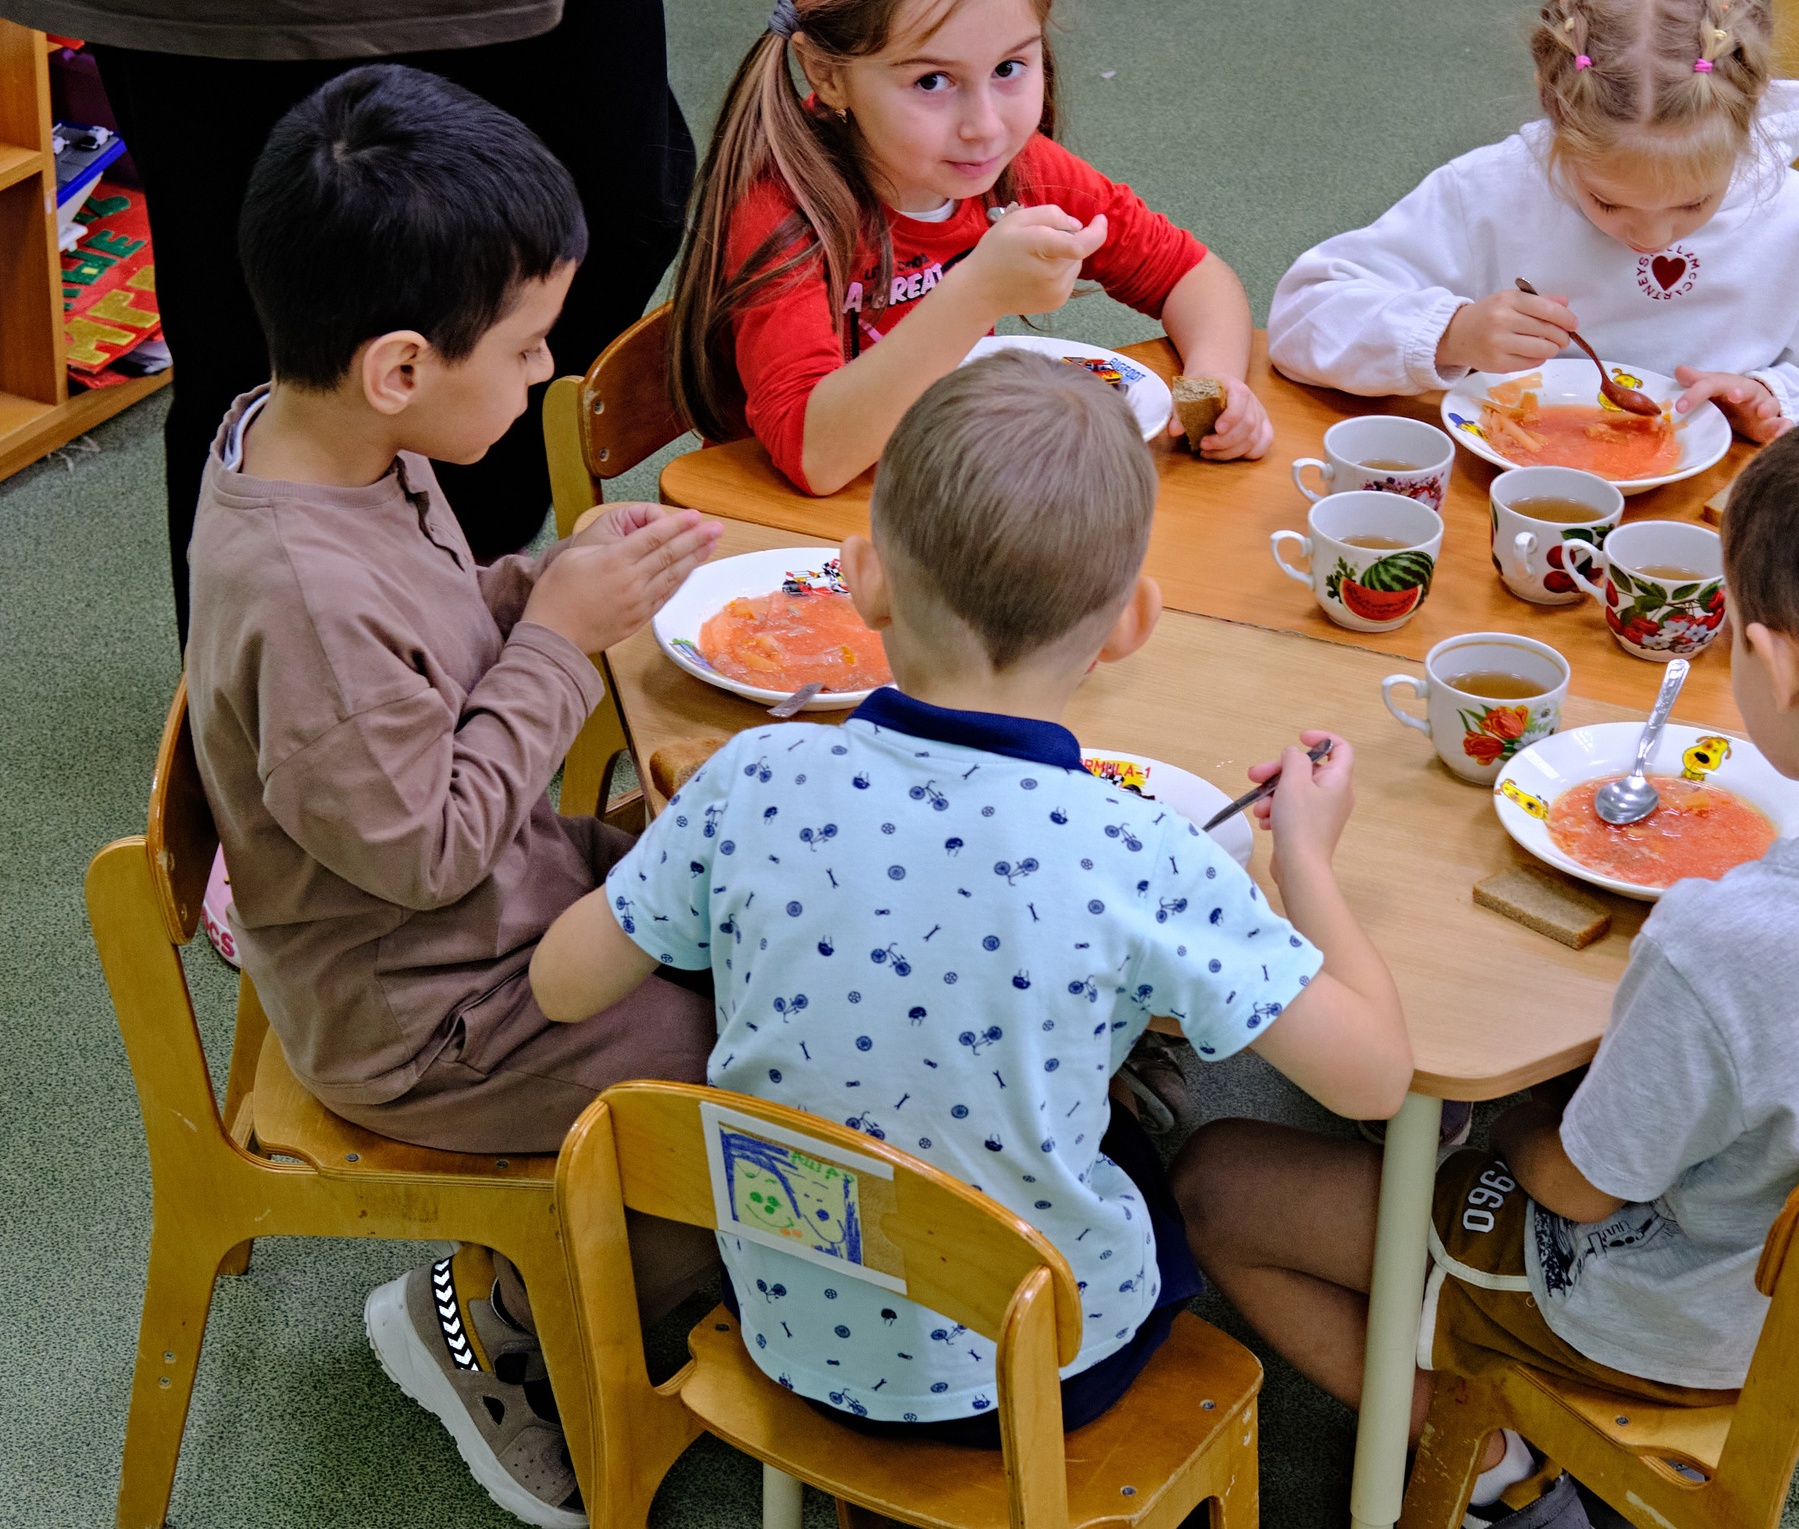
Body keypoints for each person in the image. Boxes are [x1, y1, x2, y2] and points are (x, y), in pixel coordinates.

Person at [1173, 396, 1799, 1529]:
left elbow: (1571, 1183)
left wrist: (1497, 1118)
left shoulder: (1725, 941)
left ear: (1767, 664)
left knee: (1218, 1181)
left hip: (1676, 1325)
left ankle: (1500, 1465)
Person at [527, 351, 1411, 1440]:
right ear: (1132, 622)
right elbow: (1373, 1080)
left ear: (864, 579)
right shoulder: (1139, 846)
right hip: (1038, 1373)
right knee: (1142, 1145)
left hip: (788, 1319)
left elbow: (562, 986)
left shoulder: (746, 776)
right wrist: (1307, 861)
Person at [180, 66, 723, 1528]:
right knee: (766, 1059)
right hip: (428, 1008)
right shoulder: (305, 591)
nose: (547, 372)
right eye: (534, 347)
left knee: (779, 881)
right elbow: (428, 847)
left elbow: (430, 650)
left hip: (500, 901)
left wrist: (537, 584)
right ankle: (492, 1318)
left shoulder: (333, 438)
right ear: (403, 367)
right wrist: (558, 632)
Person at [0, 0, 698, 640]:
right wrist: (549, 653)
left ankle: (438, 608)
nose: (539, 365)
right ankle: (292, 687)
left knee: (616, 217)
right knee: (266, 349)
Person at [670, 0, 1271, 497]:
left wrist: (1214, 386)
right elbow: (813, 455)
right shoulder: (784, 209)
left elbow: (1191, 274)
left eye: (1010, 67)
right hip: (782, 530)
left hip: (938, 496)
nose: (984, 126)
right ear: (827, 75)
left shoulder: (1016, 169)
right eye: (932, 81)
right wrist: (978, 291)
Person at [1268, 0, 1799, 445]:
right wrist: (1452, 334)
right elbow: (1301, 316)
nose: (1652, 239)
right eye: (1608, 201)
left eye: (1693, 204)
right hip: (1499, 496)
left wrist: (1765, 396)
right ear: (1554, 105)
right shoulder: (1493, 191)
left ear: (1752, 111)